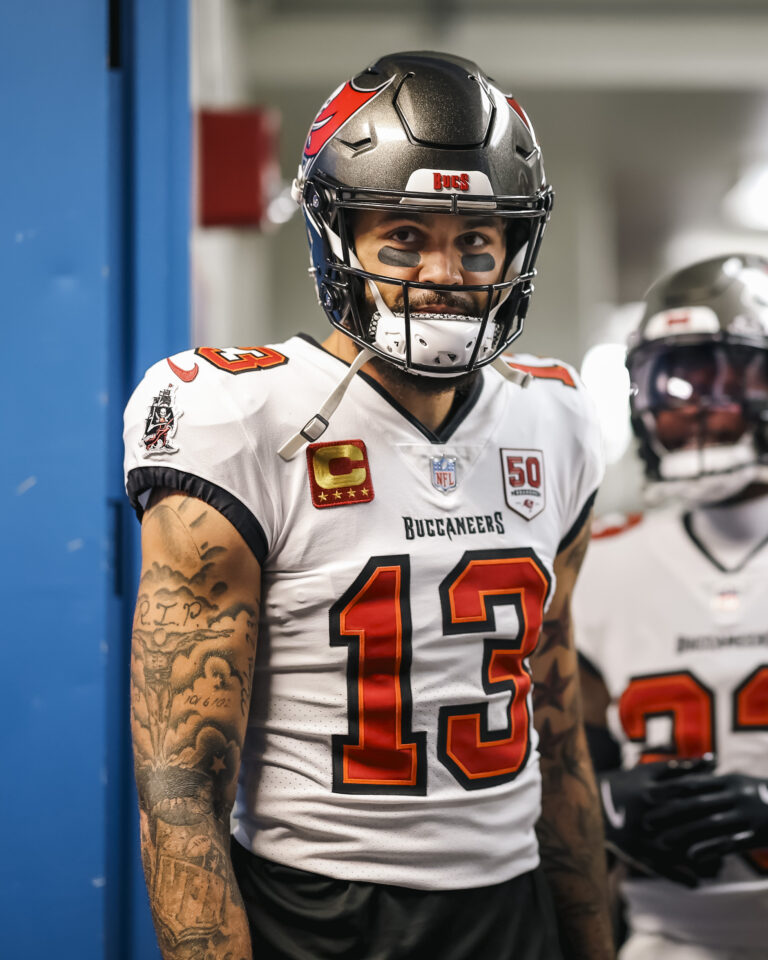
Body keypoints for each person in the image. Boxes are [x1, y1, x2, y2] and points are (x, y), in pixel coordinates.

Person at [124, 51, 613, 960]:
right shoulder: (238, 416)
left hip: (512, 912)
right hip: (318, 914)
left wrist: (593, 941)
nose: (445, 270)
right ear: (338, 237)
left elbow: (555, 719)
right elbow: (181, 780)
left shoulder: (555, 416)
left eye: (477, 239)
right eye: (405, 237)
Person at [573, 254, 768, 960]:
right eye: (672, 379)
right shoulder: (598, 562)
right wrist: (603, 804)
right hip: (669, 943)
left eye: (727, 375)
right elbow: (561, 763)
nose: (694, 405)